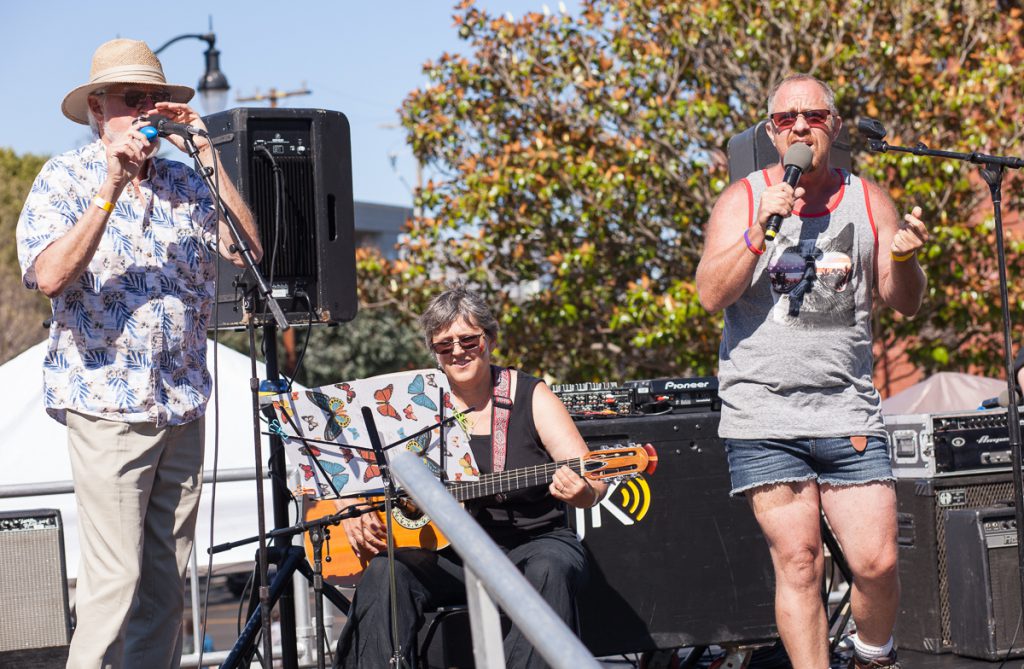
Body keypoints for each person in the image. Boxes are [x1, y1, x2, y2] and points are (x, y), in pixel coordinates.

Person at [16, 39, 262, 669]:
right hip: (106, 405)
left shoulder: (186, 179)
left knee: (165, 587)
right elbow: (48, 276)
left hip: (181, 403)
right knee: (114, 582)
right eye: (131, 100)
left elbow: (248, 252)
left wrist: (208, 152)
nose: (145, 110)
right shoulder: (64, 178)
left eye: (153, 98)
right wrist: (112, 187)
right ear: (99, 111)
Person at [695, 74, 928, 669]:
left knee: (876, 562)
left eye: (814, 116)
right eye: (787, 119)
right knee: (800, 562)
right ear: (773, 134)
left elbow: (903, 301)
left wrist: (903, 259)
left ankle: (872, 656)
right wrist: (757, 232)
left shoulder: (867, 198)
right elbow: (709, 294)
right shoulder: (745, 199)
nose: (801, 126)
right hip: (763, 412)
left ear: (835, 126)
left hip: (846, 408)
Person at [334, 285, 606, 668]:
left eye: (468, 340)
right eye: (444, 345)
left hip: (531, 543)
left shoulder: (531, 395)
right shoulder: (412, 403)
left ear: (490, 339)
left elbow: (593, 478)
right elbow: (347, 467)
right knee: (386, 573)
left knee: (551, 567)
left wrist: (582, 492)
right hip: (449, 554)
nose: (458, 351)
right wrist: (352, 505)